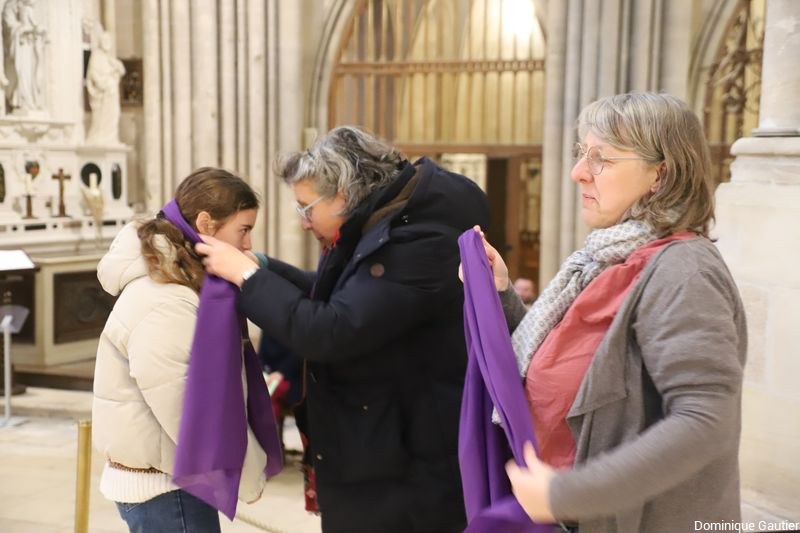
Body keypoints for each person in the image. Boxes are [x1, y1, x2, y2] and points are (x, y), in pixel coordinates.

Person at [469, 93, 746, 533]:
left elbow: (705, 421)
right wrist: (501, 292)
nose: (578, 172)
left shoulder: (683, 270)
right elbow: (566, 364)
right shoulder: (610, 257)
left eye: (602, 159)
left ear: (660, 174)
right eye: (582, 153)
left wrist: (566, 494)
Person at [196, 126, 491, 533]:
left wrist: (247, 277)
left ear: (342, 194)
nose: (303, 222)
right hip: (383, 449)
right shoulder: (388, 222)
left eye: (306, 207)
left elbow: (330, 330)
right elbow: (337, 296)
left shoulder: (418, 241)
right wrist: (263, 266)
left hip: (406, 469)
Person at [92, 167, 281, 533]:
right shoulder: (165, 298)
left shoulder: (183, 284)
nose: (248, 245)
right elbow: (186, 407)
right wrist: (246, 477)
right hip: (163, 488)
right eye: (243, 230)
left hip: (174, 479)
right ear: (206, 223)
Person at [86, 31, 126, 144]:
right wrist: (103, 84)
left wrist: (116, 69)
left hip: (111, 92)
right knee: (102, 117)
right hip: (103, 93)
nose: (107, 43)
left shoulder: (109, 58)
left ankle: (110, 137)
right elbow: (93, 74)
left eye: (108, 41)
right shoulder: (96, 56)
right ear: (100, 42)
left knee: (114, 114)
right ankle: (101, 137)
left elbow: (122, 70)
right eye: (105, 40)